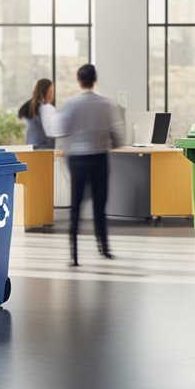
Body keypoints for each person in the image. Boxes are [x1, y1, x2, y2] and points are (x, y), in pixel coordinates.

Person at [54, 64, 126, 267]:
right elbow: (118, 135)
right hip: (99, 158)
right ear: (95, 80)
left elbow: (61, 130)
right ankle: (104, 249)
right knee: (100, 206)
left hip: (77, 159)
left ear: (79, 80)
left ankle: (74, 255)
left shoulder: (70, 104)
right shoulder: (107, 104)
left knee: (76, 206)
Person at [17, 78, 58, 150]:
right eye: (51, 91)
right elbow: (50, 131)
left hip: (30, 147)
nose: (52, 95)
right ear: (48, 92)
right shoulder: (45, 108)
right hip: (44, 149)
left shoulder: (30, 106)